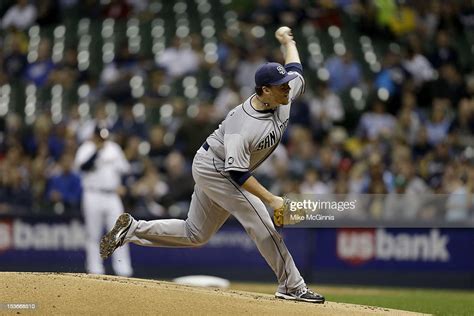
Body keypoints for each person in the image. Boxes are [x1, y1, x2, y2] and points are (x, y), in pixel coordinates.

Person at [100, 26, 325, 303]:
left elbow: (295, 68)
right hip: (218, 168)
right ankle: (292, 286)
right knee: (261, 219)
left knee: (195, 234)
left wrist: (287, 41)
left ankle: (132, 229)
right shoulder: (242, 124)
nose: (288, 88)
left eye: (287, 84)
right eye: (282, 86)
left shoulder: (284, 95)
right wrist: (272, 199)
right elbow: (237, 173)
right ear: (265, 90)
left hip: (219, 165)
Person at [74, 126, 133, 277]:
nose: (102, 139)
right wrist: (97, 151)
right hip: (93, 194)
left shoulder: (114, 148)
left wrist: (123, 185)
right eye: (99, 136)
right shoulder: (86, 148)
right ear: (93, 135)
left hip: (112, 196)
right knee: (93, 234)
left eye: (104, 136)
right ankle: (95, 270)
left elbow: (125, 170)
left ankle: (123, 270)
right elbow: (82, 167)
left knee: (120, 232)